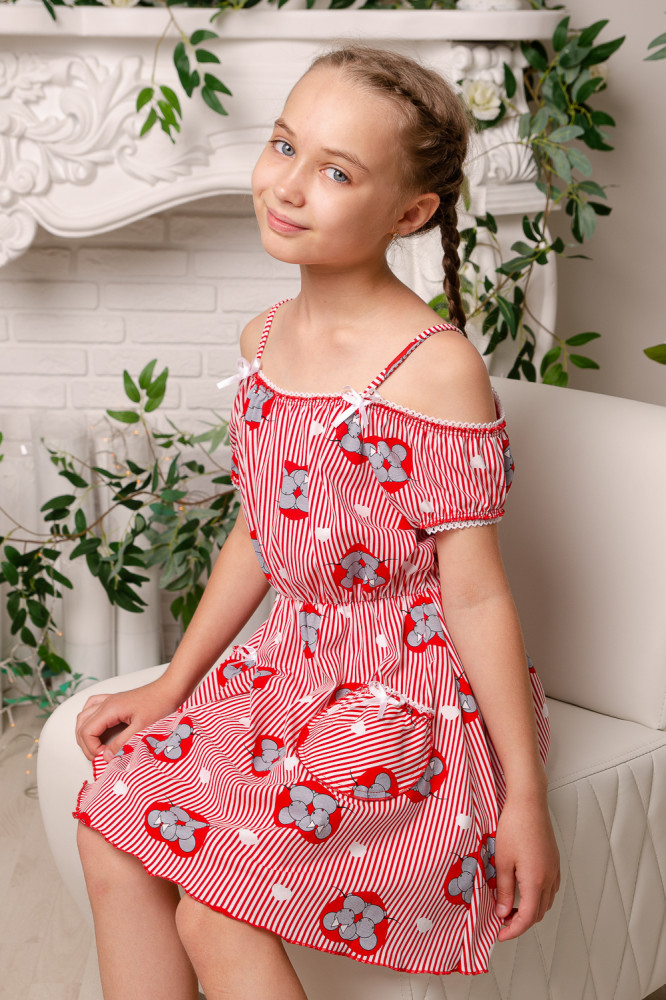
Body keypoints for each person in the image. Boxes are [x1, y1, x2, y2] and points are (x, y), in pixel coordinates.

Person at [74, 44, 560, 1000]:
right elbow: (261, 533)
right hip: (290, 669)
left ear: (410, 214)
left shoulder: (434, 368)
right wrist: (174, 682)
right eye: (284, 145)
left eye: (337, 172)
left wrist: (525, 798)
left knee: (216, 906)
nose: (289, 186)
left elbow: (475, 594)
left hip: (402, 703)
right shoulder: (261, 340)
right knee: (110, 828)